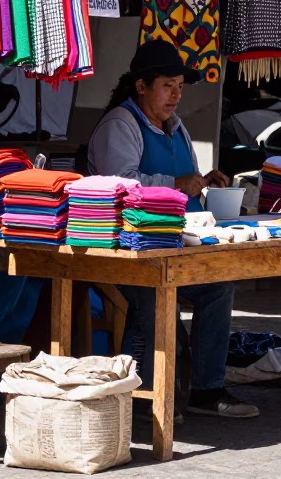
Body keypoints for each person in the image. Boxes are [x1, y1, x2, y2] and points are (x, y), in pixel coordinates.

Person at [88, 39, 256, 419]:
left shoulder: (177, 127)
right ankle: (145, 396)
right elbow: (121, 184)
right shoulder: (120, 124)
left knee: (219, 286)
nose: (176, 95)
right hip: (130, 247)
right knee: (158, 306)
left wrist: (206, 184)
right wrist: (178, 183)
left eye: (180, 86)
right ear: (141, 86)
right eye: (168, 85)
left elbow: (185, 183)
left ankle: (206, 390)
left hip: (178, 242)